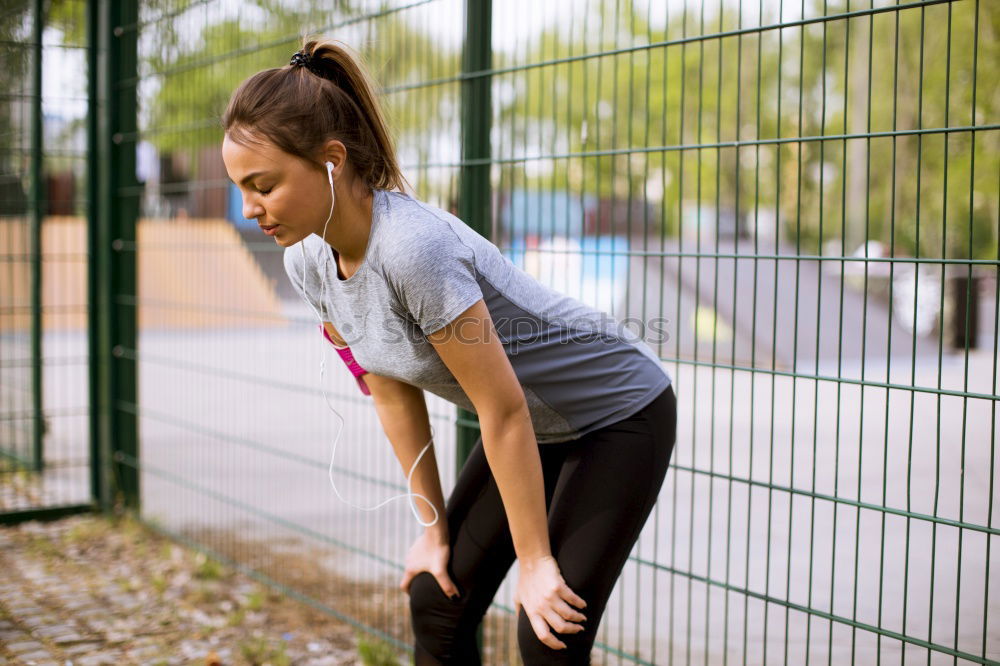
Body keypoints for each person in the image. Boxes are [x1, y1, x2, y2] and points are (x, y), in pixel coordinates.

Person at [221, 36, 677, 666]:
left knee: (546, 632)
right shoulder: (307, 259)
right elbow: (386, 387)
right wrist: (434, 534)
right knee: (438, 597)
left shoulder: (413, 250)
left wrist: (536, 562)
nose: (250, 210)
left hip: (617, 412)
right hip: (532, 425)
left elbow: (504, 410)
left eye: (262, 186)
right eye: (241, 188)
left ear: (331, 160)